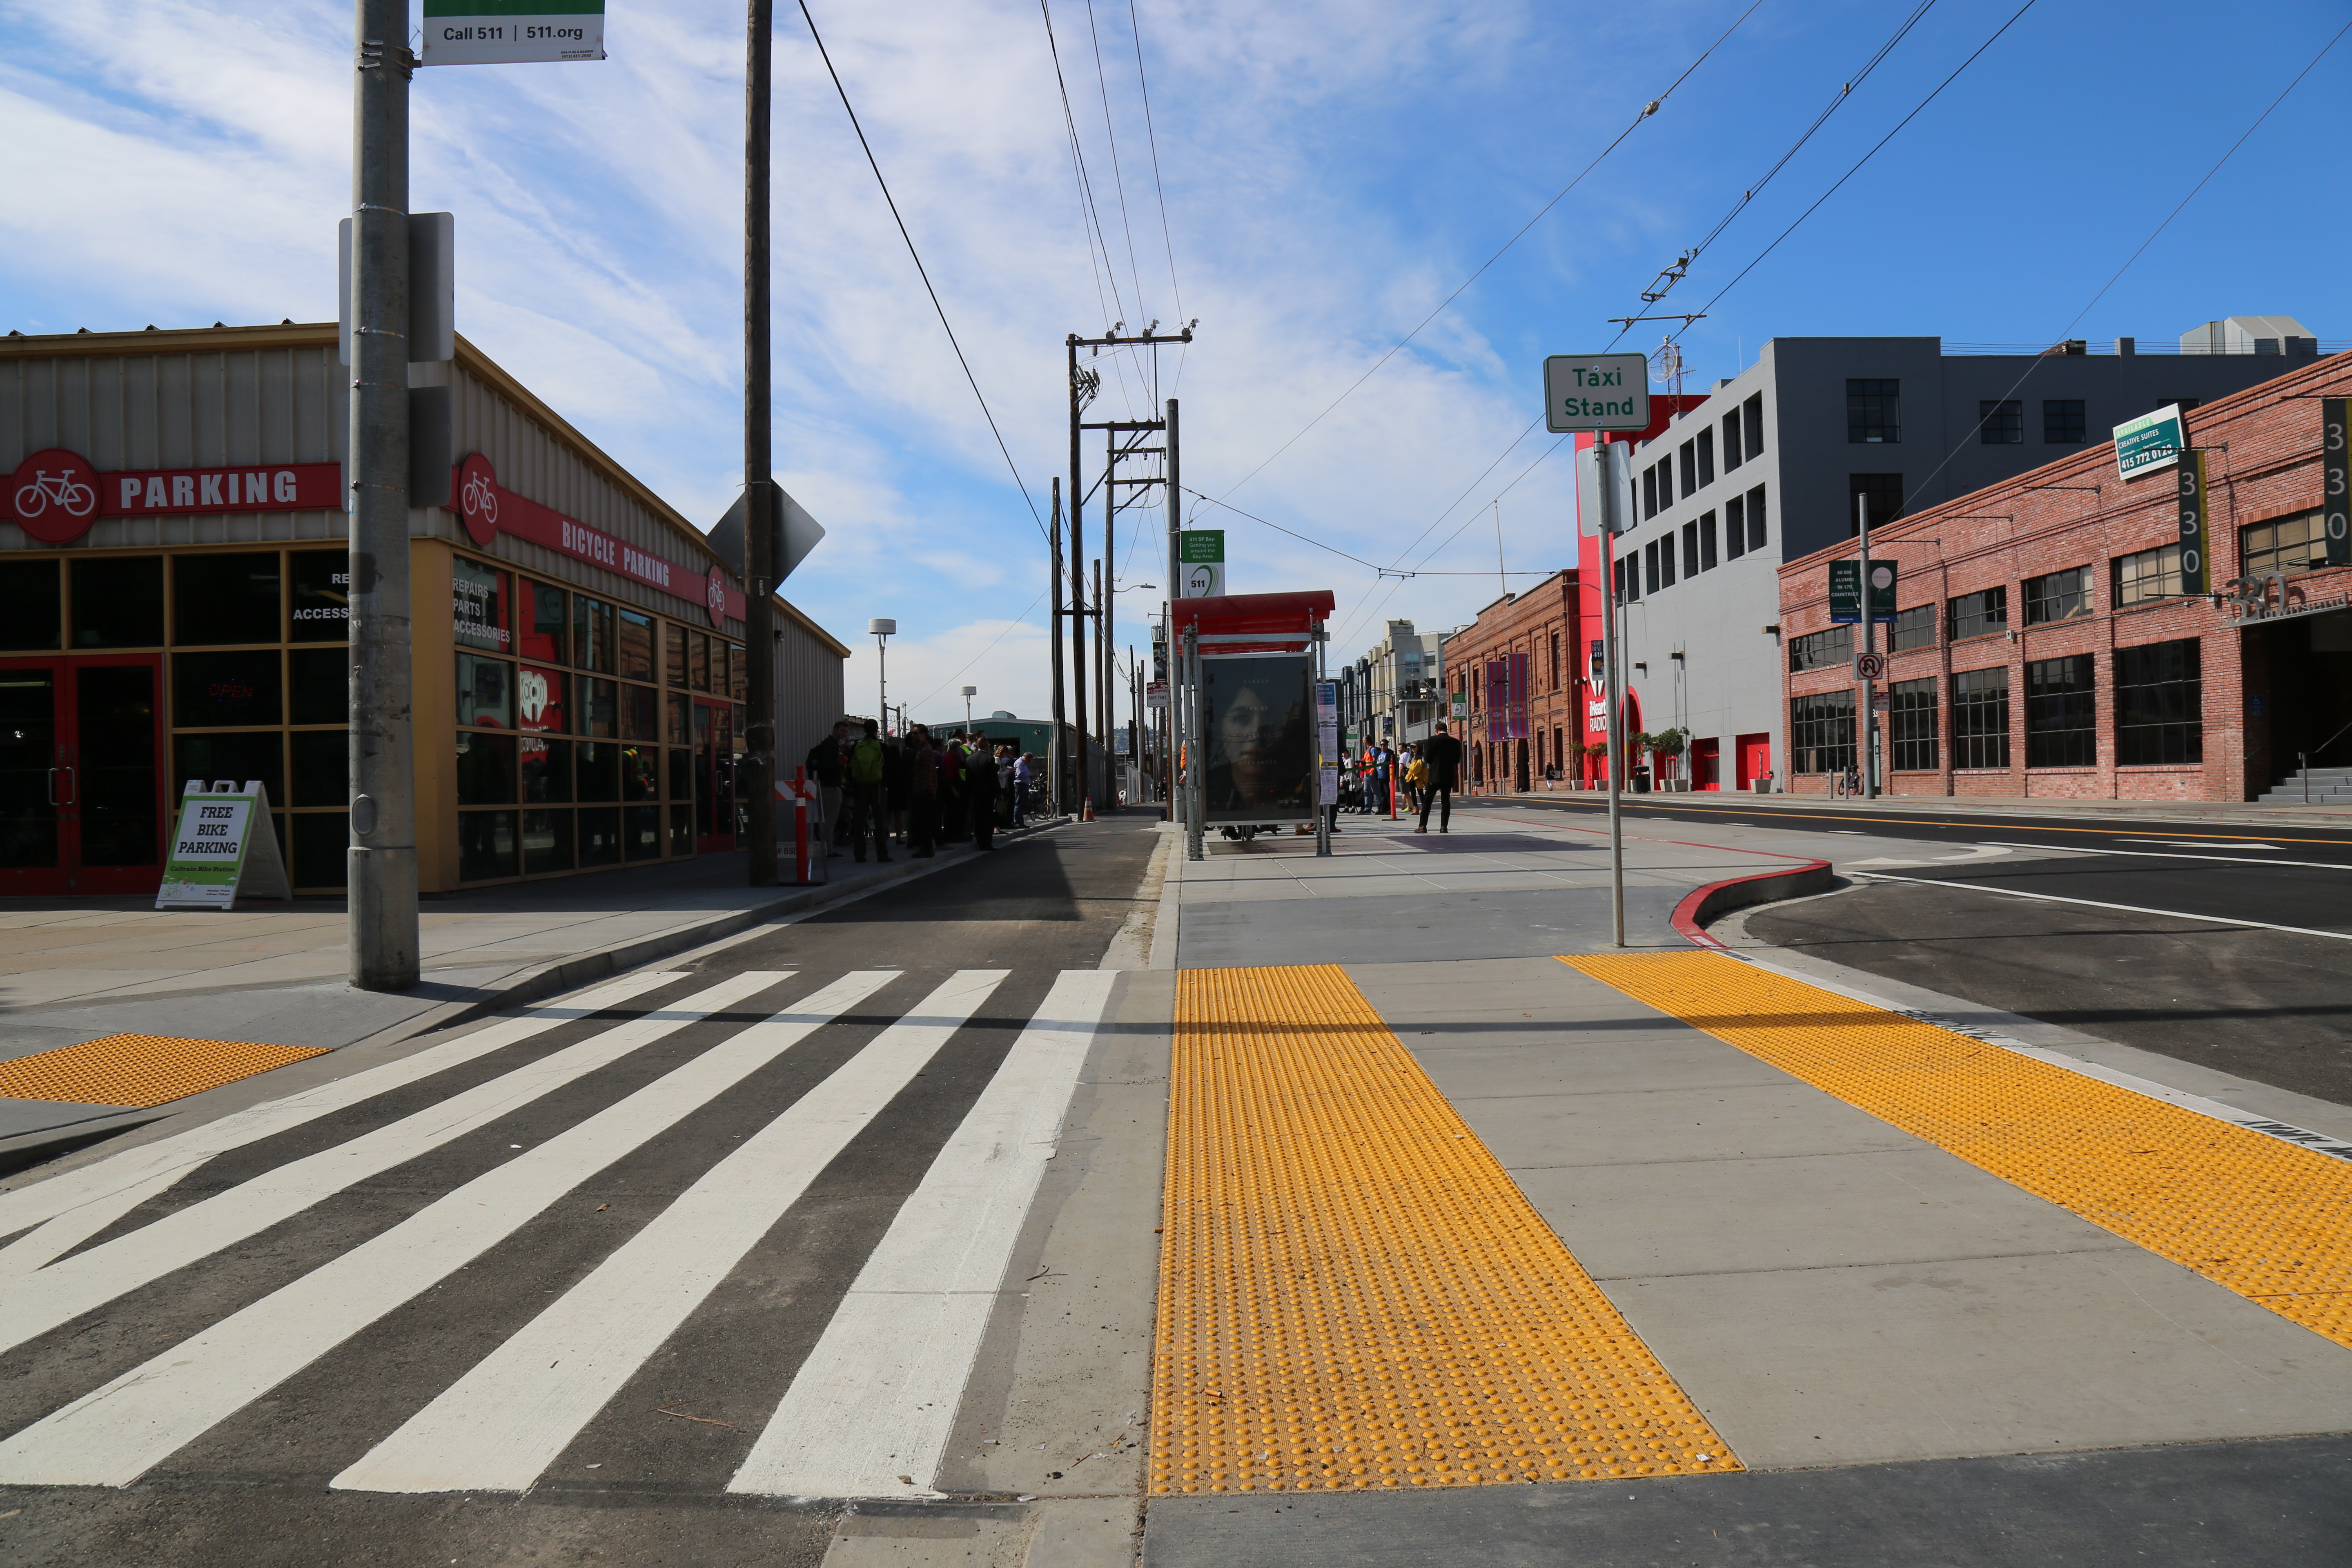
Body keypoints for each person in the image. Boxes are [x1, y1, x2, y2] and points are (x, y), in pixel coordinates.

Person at [845, 717, 890, 862]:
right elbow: (890, 768)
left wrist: (853, 785)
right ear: (877, 730)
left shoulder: (856, 746)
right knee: (879, 821)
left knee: (859, 823)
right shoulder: (882, 747)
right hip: (878, 788)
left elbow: (849, 768)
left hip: (860, 788)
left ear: (864, 731)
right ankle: (882, 854)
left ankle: (859, 855)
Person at [804, 720, 850, 856]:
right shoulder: (830, 745)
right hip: (830, 786)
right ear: (835, 730)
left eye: (846, 732)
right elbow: (828, 764)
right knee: (831, 820)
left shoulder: (831, 745)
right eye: (842, 731)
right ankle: (828, 851)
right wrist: (843, 768)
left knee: (830, 820)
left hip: (829, 785)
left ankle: (828, 849)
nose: (844, 734)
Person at [1418, 721, 1462, 834]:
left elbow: (1427, 758)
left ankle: (1423, 826)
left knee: (1428, 800)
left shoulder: (1432, 740)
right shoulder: (1455, 742)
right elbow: (1457, 760)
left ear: (1436, 730)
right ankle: (1444, 827)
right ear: (1446, 730)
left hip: (1435, 775)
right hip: (1448, 775)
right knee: (1446, 801)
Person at [904, 726, 939, 857]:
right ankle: (926, 847)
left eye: (916, 733)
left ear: (924, 735)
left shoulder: (926, 751)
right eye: (913, 734)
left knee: (924, 821)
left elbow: (925, 774)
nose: (914, 736)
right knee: (923, 821)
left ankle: (927, 848)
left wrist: (920, 789)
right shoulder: (923, 750)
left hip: (924, 791)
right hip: (925, 790)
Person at [963, 736, 1000, 850]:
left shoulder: (969, 759)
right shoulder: (989, 759)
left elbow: (968, 778)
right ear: (987, 746)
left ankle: (980, 842)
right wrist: (998, 793)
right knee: (988, 819)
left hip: (975, 793)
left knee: (978, 819)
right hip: (987, 794)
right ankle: (987, 843)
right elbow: (994, 778)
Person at [1011, 750, 1034, 824]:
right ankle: (1017, 822)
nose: (1029, 763)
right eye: (1029, 761)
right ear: (1026, 758)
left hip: (1024, 785)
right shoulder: (1020, 763)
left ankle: (1021, 822)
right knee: (1019, 804)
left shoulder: (1024, 764)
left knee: (1023, 805)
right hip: (1020, 786)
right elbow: (1020, 775)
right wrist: (1029, 775)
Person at [1404, 748, 1430, 815]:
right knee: (1413, 793)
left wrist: (1416, 766)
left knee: (1420, 792)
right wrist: (1414, 767)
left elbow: (1424, 763)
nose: (1413, 749)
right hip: (1412, 775)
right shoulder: (1411, 756)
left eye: (1415, 747)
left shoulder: (1422, 755)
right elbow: (1407, 764)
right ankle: (1416, 809)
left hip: (1420, 776)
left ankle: (1425, 808)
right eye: (1412, 747)